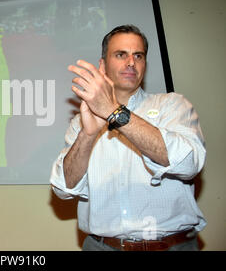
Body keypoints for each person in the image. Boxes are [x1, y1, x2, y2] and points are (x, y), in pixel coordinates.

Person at [50, 25, 206, 251]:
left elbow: (188, 164)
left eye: (138, 56)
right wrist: (88, 134)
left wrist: (115, 112)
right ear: (103, 65)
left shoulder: (172, 105)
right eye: (121, 54)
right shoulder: (82, 122)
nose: (131, 62)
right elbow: (64, 189)